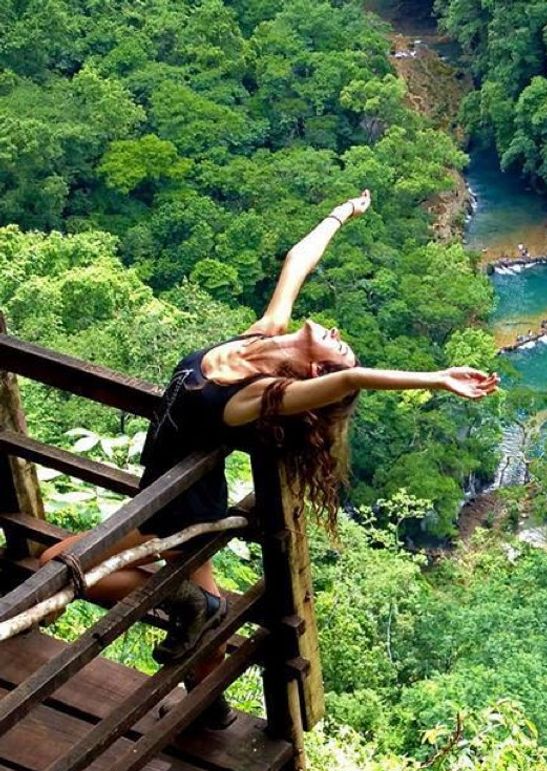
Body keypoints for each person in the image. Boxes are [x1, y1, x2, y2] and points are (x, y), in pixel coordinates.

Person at [40, 189, 498, 727]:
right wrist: (341, 213)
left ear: (313, 375)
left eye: (339, 348)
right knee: (202, 614)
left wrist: (438, 379)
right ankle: (209, 712)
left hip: (175, 511)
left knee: (57, 564)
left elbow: (351, 379)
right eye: (343, 343)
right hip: (185, 501)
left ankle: (195, 611)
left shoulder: (255, 398)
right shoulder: (264, 335)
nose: (338, 336)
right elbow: (296, 261)